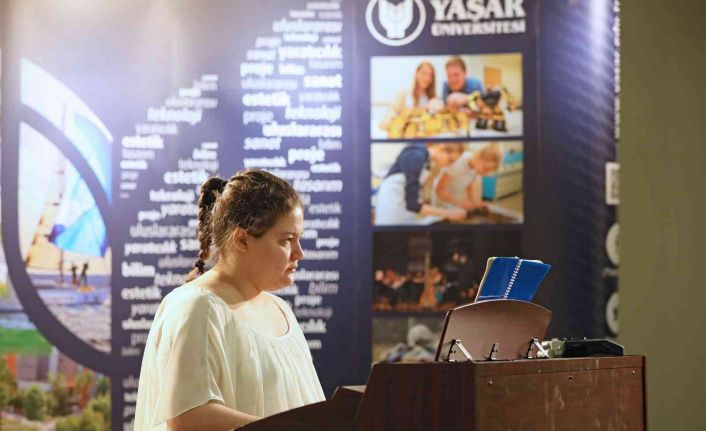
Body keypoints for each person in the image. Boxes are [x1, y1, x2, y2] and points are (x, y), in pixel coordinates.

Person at [134, 170, 325, 431]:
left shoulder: (281, 310)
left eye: (298, 239)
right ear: (242, 239)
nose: (299, 253)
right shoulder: (198, 307)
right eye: (286, 240)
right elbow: (188, 418)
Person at [374, 143, 466, 225]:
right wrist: (448, 213)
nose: (449, 165)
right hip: (393, 207)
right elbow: (412, 205)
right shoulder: (416, 155)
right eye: (450, 160)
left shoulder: (427, 162)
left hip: (403, 207)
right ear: (441, 147)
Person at [433, 143, 502, 210]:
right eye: (485, 169)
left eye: (489, 171)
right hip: (442, 195)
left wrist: (473, 202)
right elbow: (440, 190)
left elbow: (470, 184)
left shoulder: (475, 166)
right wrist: (459, 203)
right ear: (478, 156)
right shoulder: (458, 162)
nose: (486, 174)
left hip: (456, 194)